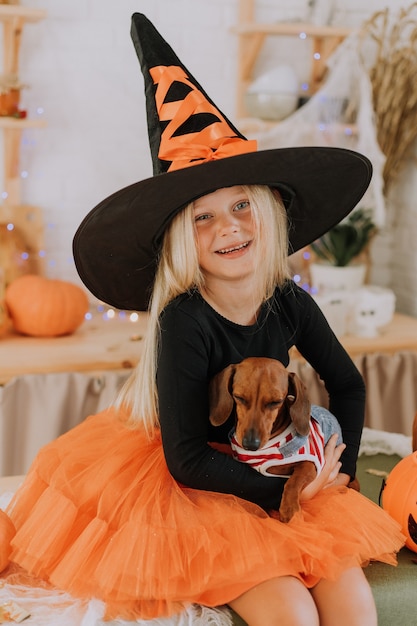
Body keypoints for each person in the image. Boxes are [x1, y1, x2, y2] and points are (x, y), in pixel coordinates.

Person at [0, 13, 404, 626]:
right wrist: (284, 493)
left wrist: (335, 473)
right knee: (290, 613)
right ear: (181, 240)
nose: (230, 227)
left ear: (266, 213)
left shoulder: (288, 301)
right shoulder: (184, 321)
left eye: (241, 206)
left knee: (354, 608)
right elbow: (188, 458)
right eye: (203, 217)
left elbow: (345, 383)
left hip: (283, 472)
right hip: (200, 487)